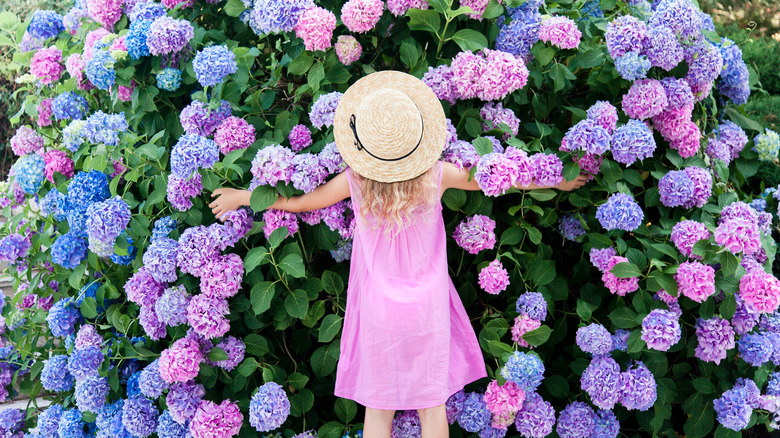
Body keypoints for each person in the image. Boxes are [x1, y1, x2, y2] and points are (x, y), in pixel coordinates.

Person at [209, 71, 588, 438]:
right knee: (432, 406)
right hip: (428, 306)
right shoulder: (436, 176)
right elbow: (498, 179)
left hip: (379, 308)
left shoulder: (355, 181)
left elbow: (303, 203)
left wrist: (242, 196)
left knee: (378, 408)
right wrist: (558, 178)